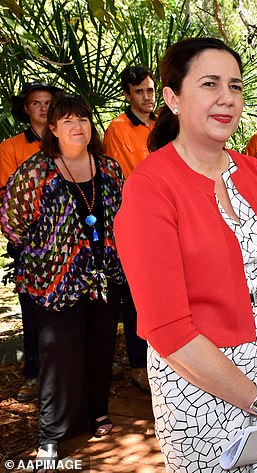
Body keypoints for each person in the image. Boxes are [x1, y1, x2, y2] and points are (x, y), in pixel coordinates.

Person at [114, 38, 257, 472]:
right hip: (201, 390)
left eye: (236, 86)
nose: (227, 98)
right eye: (209, 84)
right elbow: (168, 329)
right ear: (173, 98)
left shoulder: (256, 173)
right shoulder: (151, 186)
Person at [0, 94, 125, 464]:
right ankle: (52, 433)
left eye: (83, 119)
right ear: (52, 128)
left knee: (100, 346)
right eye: (67, 120)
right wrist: (48, 253)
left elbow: (123, 216)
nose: (77, 126)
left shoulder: (109, 168)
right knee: (58, 355)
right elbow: (12, 221)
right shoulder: (36, 171)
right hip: (54, 281)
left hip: (105, 276)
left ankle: (96, 412)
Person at [0, 81, 60, 403]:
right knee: (32, 308)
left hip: (68, 241)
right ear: (26, 108)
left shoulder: (65, 138)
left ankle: (68, 369)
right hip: (29, 241)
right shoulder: (11, 147)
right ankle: (34, 373)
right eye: (36, 103)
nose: (43, 108)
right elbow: (8, 196)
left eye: (48, 102)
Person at [103, 65, 157, 393]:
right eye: (139, 92)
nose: (146, 97)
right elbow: (121, 181)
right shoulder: (118, 129)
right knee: (137, 298)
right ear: (127, 94)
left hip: (173, 218)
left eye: (150, 90)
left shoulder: (165, 122)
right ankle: (140, 366)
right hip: (138, 222)